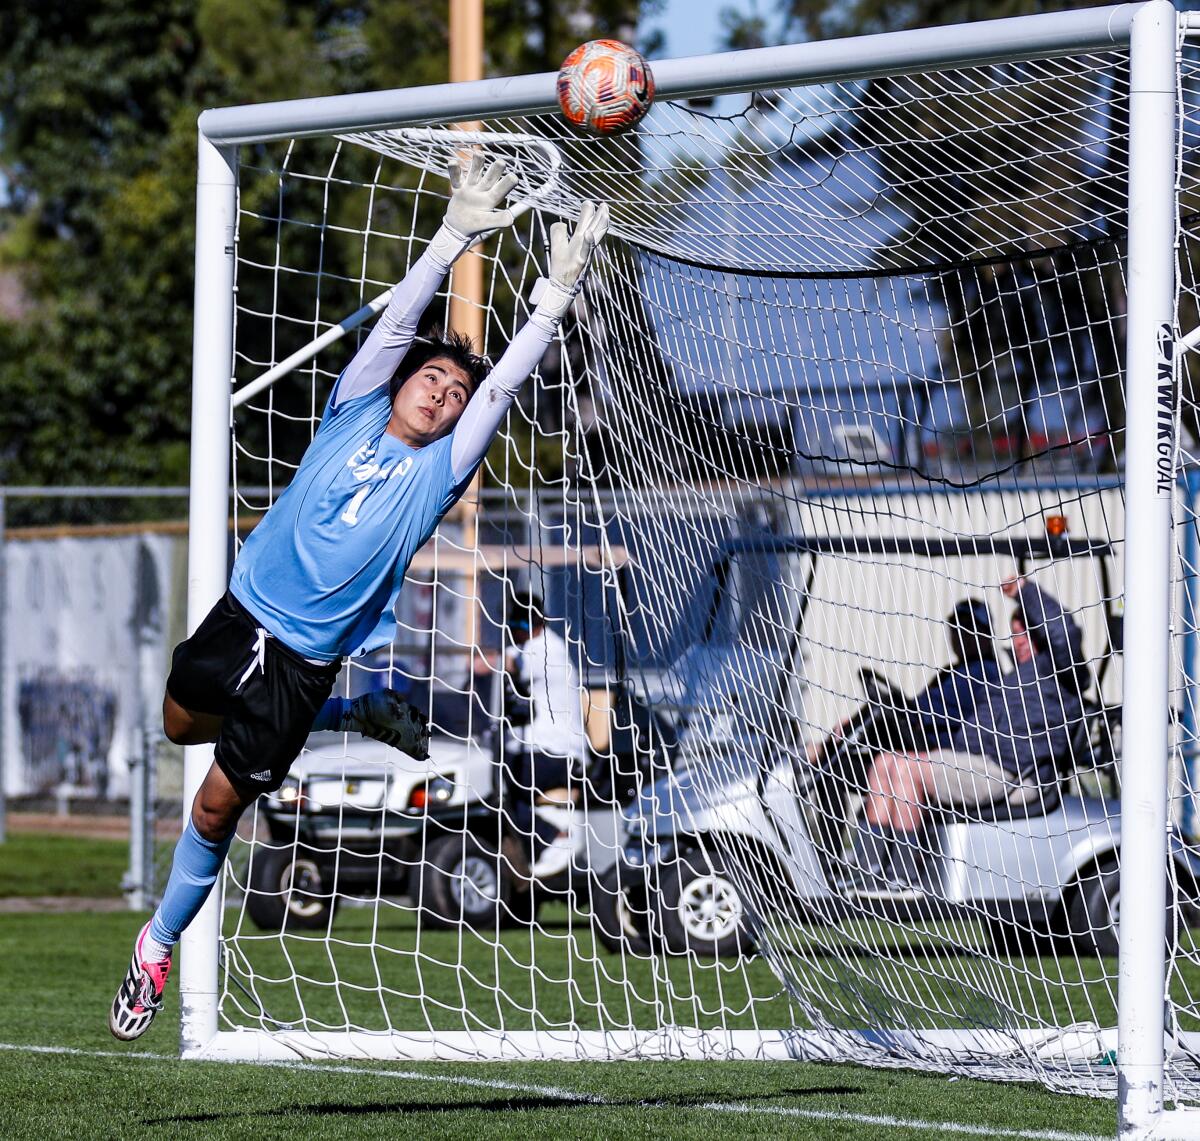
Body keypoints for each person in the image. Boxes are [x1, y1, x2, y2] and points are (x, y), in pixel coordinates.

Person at [108, 154, 610, 1041]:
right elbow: (400, 323)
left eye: (455, 394)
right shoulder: (350, 407)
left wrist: (551, 303)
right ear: (402, 381)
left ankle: (156, 944)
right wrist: (454, 234)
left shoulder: (438, 477)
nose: (445, 393)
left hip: (299, 667)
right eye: (433, 380)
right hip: (239, 618)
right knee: (177, 726)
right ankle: (313, 722)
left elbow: (501, 387)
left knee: (216, 809)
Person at [856, 575, 1085, 894]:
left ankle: (901, 875)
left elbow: (1063, 631)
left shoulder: (1057, 672)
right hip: (981, 763)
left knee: (909, 770)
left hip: (1013, 773)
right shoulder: (1010, 679)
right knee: (885, 764)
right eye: (1015, 635)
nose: (1019, 641)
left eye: (1026, 635)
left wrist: (1025, 591)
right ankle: (867, 869)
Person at [503, 590, 590, 879]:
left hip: (558, 754)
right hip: (538, 751)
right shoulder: (532, 646)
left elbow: (513, 665)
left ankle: (555, 836)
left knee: (495, 789)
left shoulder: (547, 649)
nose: (517, 633)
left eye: (521, 627)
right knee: (495, 777)